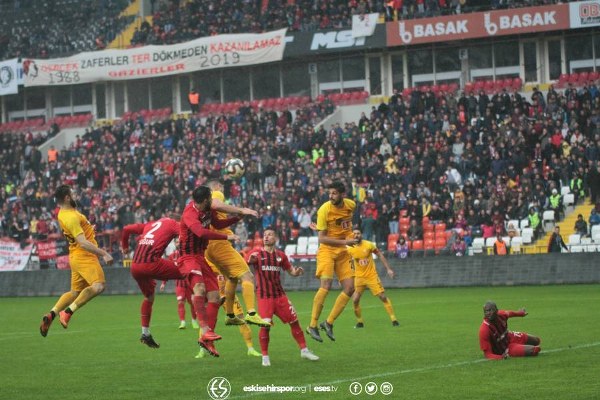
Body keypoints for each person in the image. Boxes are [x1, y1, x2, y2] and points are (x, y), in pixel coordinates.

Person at [39, 185, 113, 337]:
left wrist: (89, 230)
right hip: (84, 256)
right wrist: (104, 253)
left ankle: (52, 314)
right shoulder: (72, 217)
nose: (75, 195)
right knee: (99, 286)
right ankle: (67, 312)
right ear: (66, 197)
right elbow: (83, 242)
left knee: (74, 292)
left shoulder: (63, 213)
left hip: (74, 256)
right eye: (72, 193)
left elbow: (77, 233)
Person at [179, 185, 240, 357]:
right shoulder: (189, 213)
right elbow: (200, 232)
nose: (213, 201)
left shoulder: (206, 210)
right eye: (211, 198)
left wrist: (237, 218)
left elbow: (218, 224)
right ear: (206, 199)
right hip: (187, 257)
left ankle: (207, 341)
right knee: (199, 289)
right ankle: (204, 330)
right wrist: (227, 236)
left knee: (214, 297)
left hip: (200, 257)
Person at [247, 228, 319, 366]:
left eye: (270, 235)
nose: (266, 237)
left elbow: (291, 271)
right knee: (265, 325)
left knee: (294, 321)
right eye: (265, 235)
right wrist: (249, 261)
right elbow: (245, 264)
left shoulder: (280, 256)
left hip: (280, 296)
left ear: (276, 239)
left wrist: (297, 272)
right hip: (264, 297)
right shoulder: (256, 253)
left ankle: (304, 350)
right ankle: (265, 357)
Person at [205, 180, 270, 328]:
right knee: (247, 276)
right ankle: (252, 313)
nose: (222, 191)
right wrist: (241, 210)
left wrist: (235, 218)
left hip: (210, 247)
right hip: (220, 245)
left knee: (233, 279)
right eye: (221, 187)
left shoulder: (206, 207)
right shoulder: (215, 193)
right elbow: (216, 203)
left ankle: (230, 315)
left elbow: (217, 222)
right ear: (216, 187)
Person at [307, 181, 359, 342]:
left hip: (343, 251)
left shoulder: (351, 205)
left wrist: (352, 236)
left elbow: (346, 227)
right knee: (326, 286)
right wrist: (345, 242)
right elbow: (322, 238)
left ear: (343, 194)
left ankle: (328, 323)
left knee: (350, 288)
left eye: (334, 193)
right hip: (327, 250)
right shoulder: (324, 209)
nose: (331, 196)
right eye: (330, 193)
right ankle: (312, 325)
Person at [121, 217, 183, 348]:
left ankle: (145, 333)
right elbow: (186, 235)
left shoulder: (149, 225)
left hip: (135, 266)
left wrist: (125, 248)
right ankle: (208, 298)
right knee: (187, 269)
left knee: (149, 297)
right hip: (151, 263)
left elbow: (126, 229)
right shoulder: (173, 224)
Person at [195, 264, 261, 359]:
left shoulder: (223, 261)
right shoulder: (206, 263)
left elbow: (234, 277)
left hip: (229, 297)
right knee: (206, 322)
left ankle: (250, 348)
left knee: (241, 319)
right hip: (212, 297)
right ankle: (202, 350)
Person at [347, 229, 399, 328]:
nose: (356, 235)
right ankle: (360, 322)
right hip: (359, 278)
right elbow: (347, 264)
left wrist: (388, 269)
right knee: (355, 300)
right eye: (354, 234)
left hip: (371, 276)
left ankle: (394, 319)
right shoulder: (350, 249)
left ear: (361, 234)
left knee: (382, 297)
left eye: (358, 233)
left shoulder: (369, 245)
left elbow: (380, 255)